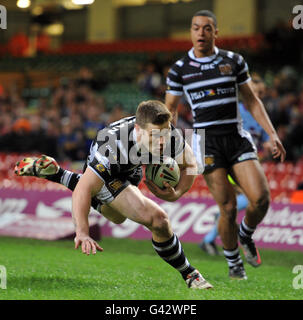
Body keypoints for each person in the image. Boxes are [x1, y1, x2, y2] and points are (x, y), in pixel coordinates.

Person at [14, 100, 213, 290]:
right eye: (154, 135)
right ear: (138, 131)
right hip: (109, 168)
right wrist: (82, 232)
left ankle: (59, 174)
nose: (162, 142)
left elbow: (191, 165)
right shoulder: (111, 146)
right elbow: (83, 190)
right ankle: (190, 274)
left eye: (165, 133)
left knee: (117, 217)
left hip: (132, 167)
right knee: (158, 219)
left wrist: (176, 194)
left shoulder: (169, 136)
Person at [165, 10, 286, 280]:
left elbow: (253, 101)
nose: (201, 33)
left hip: (236, 137)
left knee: (261, 199)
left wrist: (272, 134)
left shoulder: (233, 61)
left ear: (215, 32)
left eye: (207, 28)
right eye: (196, 28)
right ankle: (234, 263)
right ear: (191, 31)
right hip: (206, 143)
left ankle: (246, 234)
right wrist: (169, 147)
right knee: (228, 208)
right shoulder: (179, 69)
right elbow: (170, 109)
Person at [199, 77, 272, 255]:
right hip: (225, 161)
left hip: (245, 162)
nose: (258, 95)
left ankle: (210, 236)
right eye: (255, 91)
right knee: (248, 200)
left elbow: (265, 143)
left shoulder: (260, 115)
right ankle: (214, 235)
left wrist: (269, 146)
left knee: (248, 200)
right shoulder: (233, 110)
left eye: (261, 93)